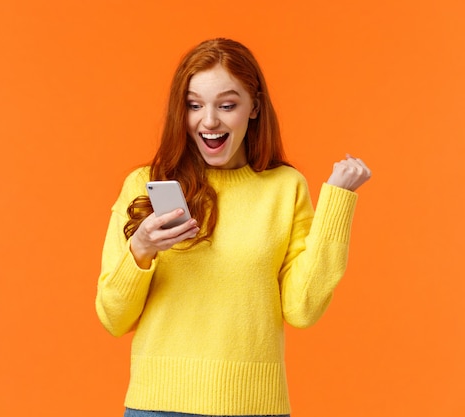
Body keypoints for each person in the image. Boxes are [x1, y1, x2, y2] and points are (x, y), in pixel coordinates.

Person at [95, 38, 371, 417]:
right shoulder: (144, 185)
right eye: (194, 105)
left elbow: (302, 309)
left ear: (254, 107)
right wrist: (140, 248)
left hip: (255, 406)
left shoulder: (284, 189)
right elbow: (113, 319)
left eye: (227, 105)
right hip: (156, 406)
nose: (209, 121)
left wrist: (338, 200)